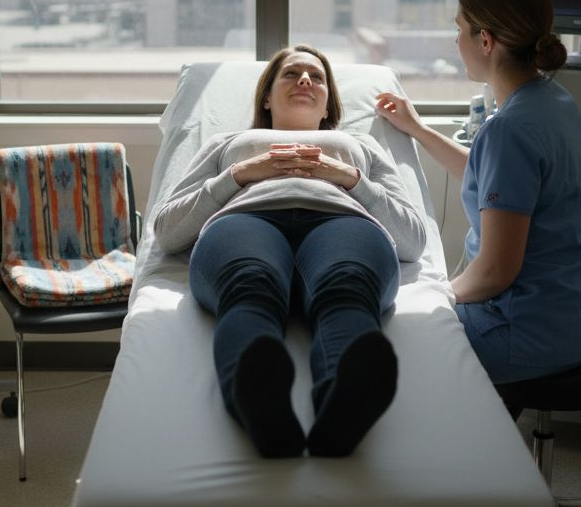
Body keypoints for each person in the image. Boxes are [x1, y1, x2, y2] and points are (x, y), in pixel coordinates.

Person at [153, 45, 427, 458]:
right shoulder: (229, 142)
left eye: (316, 77)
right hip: (246, 220)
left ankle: (344, 403)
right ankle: (259, 406)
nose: (305, 80)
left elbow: (412, 239)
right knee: (249, 283)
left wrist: (351, 179)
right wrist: (240, 174)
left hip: (342, 222)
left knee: (347, 286)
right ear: (266, 97)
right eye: (292, 74)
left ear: (329, 103)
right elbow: (168, 230)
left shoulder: (359, 146)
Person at [375, 0, 581, 397]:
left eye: (460, 30)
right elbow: (492, 179)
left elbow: (497, 271)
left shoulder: (511, 129)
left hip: (531, 329)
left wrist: (437, 296)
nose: (456, 42)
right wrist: (418, 128)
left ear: (486, 41)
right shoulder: (553, 100)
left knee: (391, 348)